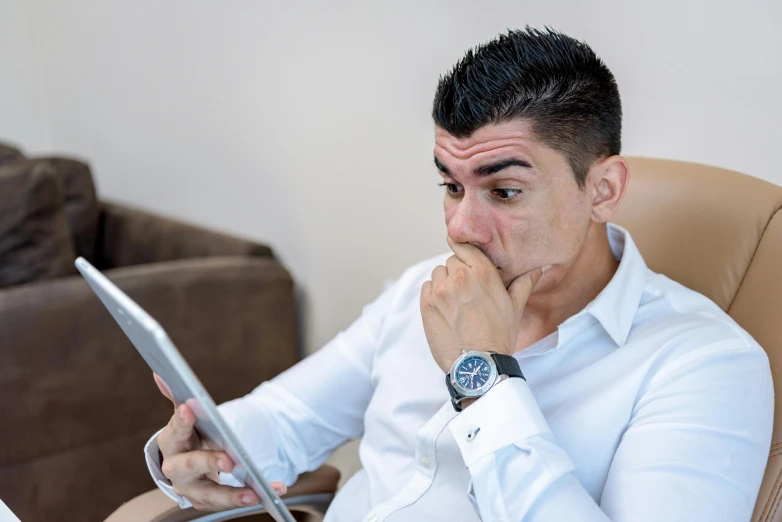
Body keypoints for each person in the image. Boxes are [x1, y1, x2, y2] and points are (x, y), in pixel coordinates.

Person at [145, 27, 773, 521]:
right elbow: (285, 419)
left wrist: (483, 376)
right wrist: (205, 451)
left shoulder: (703, 363)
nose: (461, 228)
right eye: (451, 186)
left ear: (602, 189)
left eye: (503, 191)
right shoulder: (424, 288)